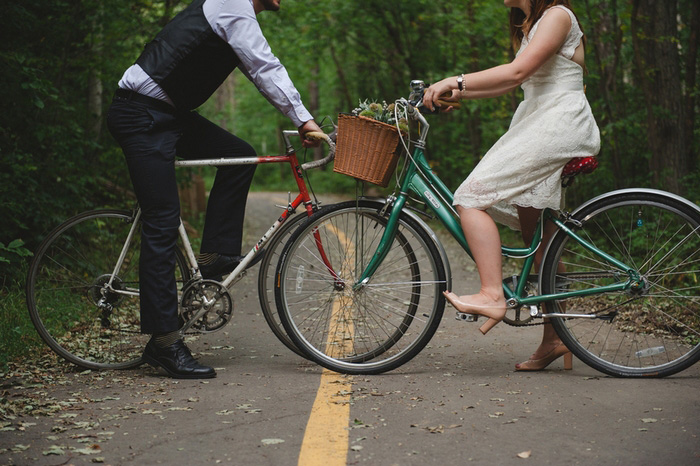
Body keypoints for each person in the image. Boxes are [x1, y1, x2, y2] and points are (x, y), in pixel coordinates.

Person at [106, 0, 322, 379]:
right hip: (140, 114)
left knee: (238, 155)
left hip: (168, 115)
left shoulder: (237, 12)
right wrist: (303, 119)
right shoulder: (232, 4)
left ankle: (214, 257)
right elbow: (264, 65)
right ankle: (164, 343)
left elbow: (258, 72)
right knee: (162, 221)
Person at [422, 0, 599, 371]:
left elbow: (516, 72)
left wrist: (455, 80)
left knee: (471, 197)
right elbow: (512, 82)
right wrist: (459, 93)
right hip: (539, 118)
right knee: (541, 237)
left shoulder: (558, 15)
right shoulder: (532, 22)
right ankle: (555, 339)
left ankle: (491, 295)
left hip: (558, 121)